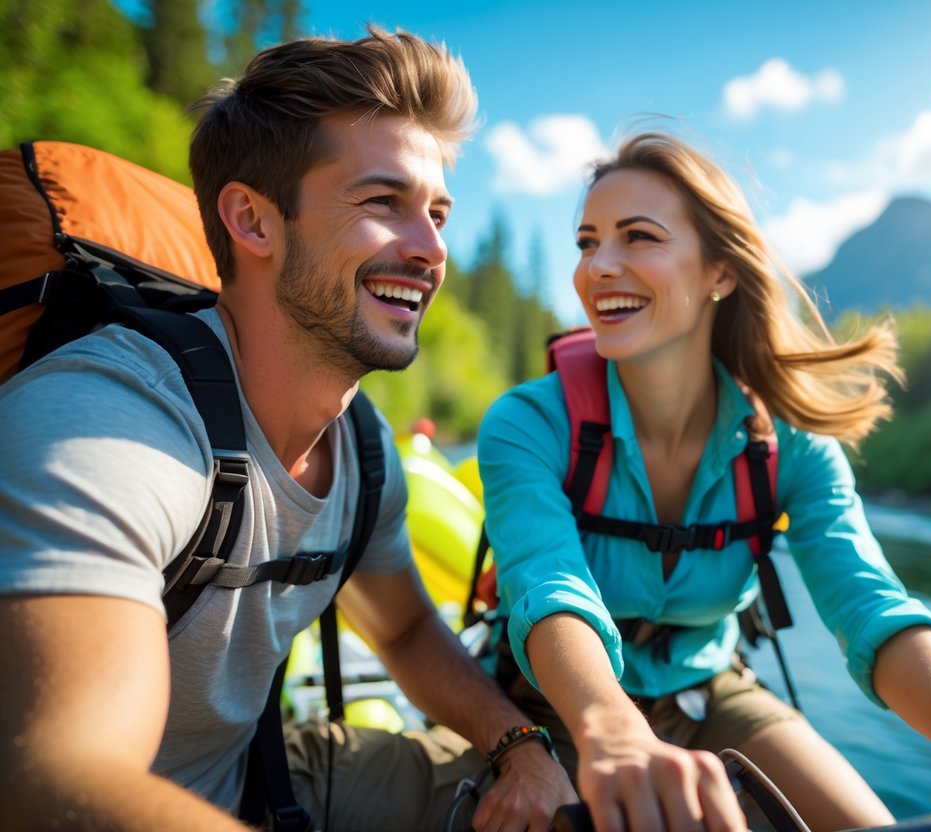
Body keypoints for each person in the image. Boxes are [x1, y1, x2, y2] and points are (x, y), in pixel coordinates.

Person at [0, 27, 576, 832]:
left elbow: (406, 631)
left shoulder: (364, 446)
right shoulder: (113, 423)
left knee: (588, 796)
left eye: (438, 214)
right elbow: (55, 780)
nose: (431, 250)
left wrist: (518, 744)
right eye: (384, 203)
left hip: (263, 782)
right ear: (254, 221)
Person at [476, 131, 931, 832]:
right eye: (586, 242)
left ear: (719, 272)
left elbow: (869, 603)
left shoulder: (792, 450)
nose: (598, 266)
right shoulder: (526, 423)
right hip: (553, 706)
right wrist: (613, 729)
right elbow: (549, 587)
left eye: (637, 238)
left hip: (710, 692)